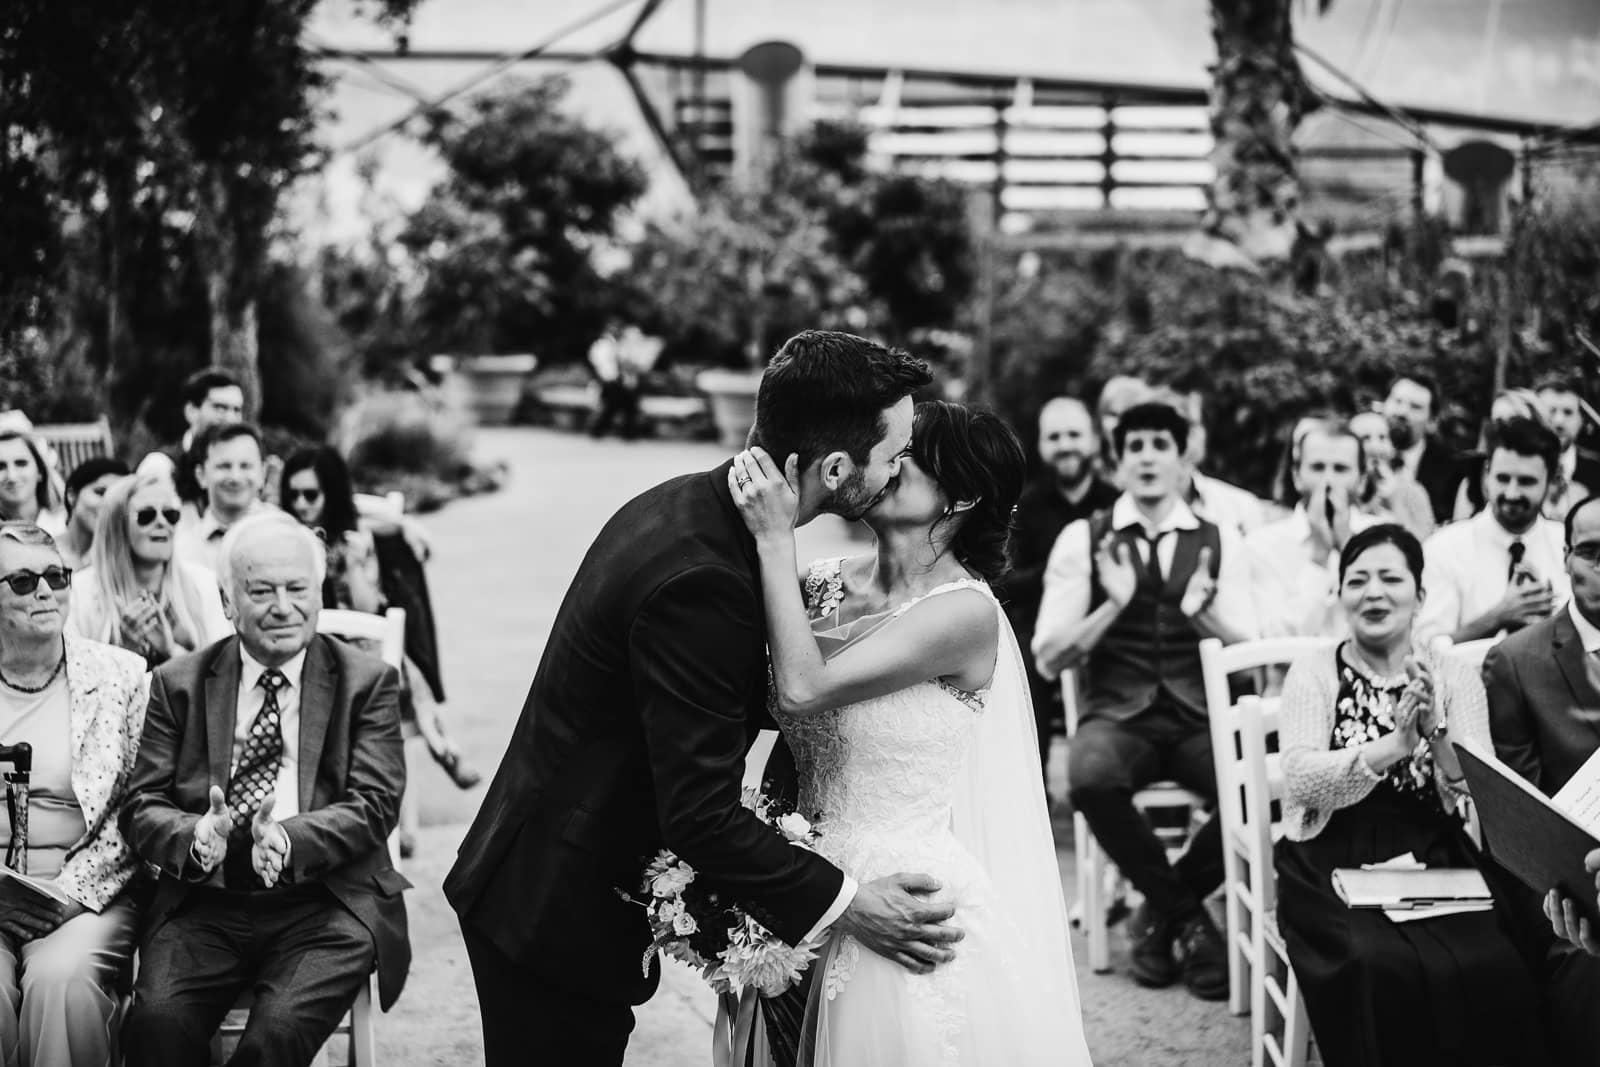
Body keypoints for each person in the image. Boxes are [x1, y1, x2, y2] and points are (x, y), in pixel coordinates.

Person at [444, 331, 959, 1067]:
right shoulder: (702, 579)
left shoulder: (699, 508)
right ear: (838, 467)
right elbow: (700, 814)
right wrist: (852, 903)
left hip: (550, 885)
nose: (900, 469)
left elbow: (738, 699)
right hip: (548, 911)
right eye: (894, 453)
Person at [726, 400, 1091, 1063]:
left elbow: (802, 688)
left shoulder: (966, 614)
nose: (882, 463)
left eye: (908, 456)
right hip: (800, 880)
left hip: (904, 901)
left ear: (962, 496)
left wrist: (776, 539)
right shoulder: (817, 585)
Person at [119, 510, 411, 1067]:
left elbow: (376, 804)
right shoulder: (176, 684)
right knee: (155, 1027)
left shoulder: (367, 682)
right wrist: (193, 835)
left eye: (298, 588)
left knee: (271, 1042)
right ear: (228, 602)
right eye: (261, 590)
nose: (283, 606)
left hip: (327, 903)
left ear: (319, 593)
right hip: (207, 903)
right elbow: (141, 805)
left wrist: (289, 839)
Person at [1272, 523, 1547, 1067]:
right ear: (1341, 595)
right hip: (1329, 852)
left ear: (1420, 595)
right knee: (1372, 960)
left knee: (1490, 956)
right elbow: (1301, 777)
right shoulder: (1314, 671)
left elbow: (1476, 785)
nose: (1373, 592)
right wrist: (1396, 744)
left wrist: (1436, 731)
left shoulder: (1451, 674)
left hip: (1431, 846)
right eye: (1358, 580)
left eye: (1390, 578)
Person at [1034, 401, 1258, 1001]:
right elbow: (1049, 657)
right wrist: (1111, 604)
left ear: (1185, 456)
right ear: (1120, 459)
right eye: (1136, 446)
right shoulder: (1085, 539)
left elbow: (1254, 650)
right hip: (1118, 715)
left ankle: (1156, 914)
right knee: (1089, 777)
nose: (1149, 456)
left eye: (1162, 443)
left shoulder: (1221, 541)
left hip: (1198, 718)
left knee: (1258, 791)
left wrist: (1204, 611)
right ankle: (1189, 919)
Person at [0, 522, 149, 1067]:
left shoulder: (121, 676)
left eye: (56, 576)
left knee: (59, 979)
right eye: (20, 581)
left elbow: (141, 806)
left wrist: (69, 893)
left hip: (88, 891)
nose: (44, 591)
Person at [280, 448, 479, 797]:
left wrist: (354, 565)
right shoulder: (282, 540)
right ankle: (444, 749)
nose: (301, 504)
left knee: (394, 666)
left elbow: (368, 607)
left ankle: (430, 758)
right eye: (293, 495)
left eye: (310, 494)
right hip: (306, 645)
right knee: (393, 670)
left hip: (357, 640)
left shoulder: (353, 539)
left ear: (330, 492)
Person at [1485, 493, 1600, 1066]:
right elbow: (1522, 817)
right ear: (1566, 555)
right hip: (1564, 882)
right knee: (1588, 959)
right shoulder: (1515, 661)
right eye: (1593, 552)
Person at [998, 396, 1119, 780]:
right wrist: (1056, 572)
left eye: (1074, 434)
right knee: (1023, 664)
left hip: (1108, 627)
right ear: (1042, 446)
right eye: (1055, 436)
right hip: (1042, 628)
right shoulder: (1025, 508)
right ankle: (1035, 788)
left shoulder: (1116, 504)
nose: (1066, 444)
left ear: (1095, 440)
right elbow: (1005, 581)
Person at [1415, 416, 1569, 646]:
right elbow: (1427, 649)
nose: (1512, 493)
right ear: (1486, 474)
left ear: (1551, 481)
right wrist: (1496, 618)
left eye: (1527, 482)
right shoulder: (1443, 548)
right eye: (1502, 478)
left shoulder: (1567, 546)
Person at [67, 472, 231, 665]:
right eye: (146, 515)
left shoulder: (203, 583)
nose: (161, 523)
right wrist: (124, 651)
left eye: (170, 515)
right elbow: (77, 678)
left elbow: (224, 670)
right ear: (117, 525)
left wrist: (171, 652)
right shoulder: (80, 591)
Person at [1246, 420, 1376, 639]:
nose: (1328, 480)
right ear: (1297, 477)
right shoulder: (1262, 545)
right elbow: (1277, 640)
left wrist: (1348, 549)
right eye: (1317, 467)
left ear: (1362, 481)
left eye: (1340, 469)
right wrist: (1319, 557)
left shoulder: (1385, 538)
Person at [173, 422, 272, 573]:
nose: (235, 477)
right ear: (201, 475)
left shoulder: (288, 536)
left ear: (263, 473)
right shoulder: (181, 549)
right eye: (224, 466)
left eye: (245, 466)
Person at [143, 368, 245, 515]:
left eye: (236, 410)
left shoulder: (241, 470)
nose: (230, 419)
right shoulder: (161, 466)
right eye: (220, 408)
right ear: (191, 411)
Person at [1447, 388, 1548, 522]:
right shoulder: (1474, 477)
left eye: (1513, 421)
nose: (1502, 430)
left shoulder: (1555, 476)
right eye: (1497, 421)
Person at [1383, 373, 1462, 525]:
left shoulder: (1452, 469)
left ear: (1432, 421)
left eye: (1415, 407)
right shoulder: (1359, 452)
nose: (1402, 412)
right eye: (1397, 401)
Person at [1348, 410, 1434, 541]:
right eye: (1365, 438)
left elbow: (1424, 542)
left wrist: (1395, 498)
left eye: (1382, 437)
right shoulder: (1344, 489)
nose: (1375, 446)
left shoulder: (1413, 492)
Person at [1535, 375, 1599, 519]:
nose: (1559, 421)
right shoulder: (1515, 467)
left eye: (1568, 412)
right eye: (1551, 411)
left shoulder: (1597, 469)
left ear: (1581, 420)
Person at [52, 458, 131, 569]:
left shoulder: (124, 560)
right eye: (100, 492)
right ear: (72, 495)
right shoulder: (44, 550)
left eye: (118, 497)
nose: (109, 503)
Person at [0, 433, 64, 536]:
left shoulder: (66, 525)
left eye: (21, 463)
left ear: (40, 471)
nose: (12, 476)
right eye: (1, 467)